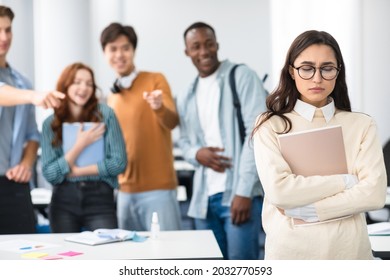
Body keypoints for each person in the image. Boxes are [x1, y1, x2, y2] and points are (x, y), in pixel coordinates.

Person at [252, 30, 387, 259]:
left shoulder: (362, 125)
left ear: (338, 72)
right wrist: (346, 181)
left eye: (327, 68)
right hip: (291, 255)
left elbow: (374, 194)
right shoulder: (270, 126)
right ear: (291, 72)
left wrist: (314, 210)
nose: (317, 78)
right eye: (307, 68)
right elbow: (280, 192)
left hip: (350, 254)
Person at [176, 22, 267, 259]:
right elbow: (184, 142)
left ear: (217, 45)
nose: (203, 51)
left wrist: (244, 191)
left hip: (238, 195)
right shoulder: (187, 94)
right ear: (187, 52)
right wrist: (197, 153)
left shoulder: (242, 76)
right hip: (203, 201)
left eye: (208, 44)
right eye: (196, 47)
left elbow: (258, 133)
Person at [100, 22, 181, 231]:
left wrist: (159, 106)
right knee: (132, 256)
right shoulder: (112, 96)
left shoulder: (155, 80)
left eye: (125, 48)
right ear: (105, 53)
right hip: (124, 191)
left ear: (133, 51)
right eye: (113, 49)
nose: (120, 54)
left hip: (158, 189)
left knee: (168, 256)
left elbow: (172, 121)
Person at [41, 62, 127, 233]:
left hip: (100, 198)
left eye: (89, 84)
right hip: (63, 201)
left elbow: (119, 162)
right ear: (66, 85)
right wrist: (81, 144)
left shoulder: (106, 115)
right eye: (77, 82)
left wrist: (76, 171)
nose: (84, 88)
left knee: (107, 254)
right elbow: (50, 174)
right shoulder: (50, 123)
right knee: (66, 256)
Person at [0, 5, 63, 234]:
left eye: (8, 30)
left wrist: (26, 163)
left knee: (24, 251)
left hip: (13, 184)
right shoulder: (26, 91)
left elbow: (32, 134)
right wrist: (33, 96)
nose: (4, 37)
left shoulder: (22, 81)